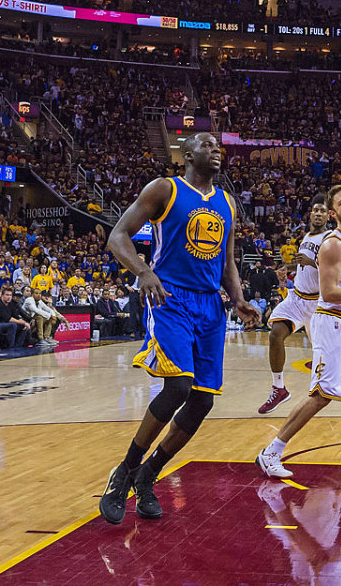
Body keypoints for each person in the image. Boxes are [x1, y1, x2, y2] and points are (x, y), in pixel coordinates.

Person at [98, 132, 260, 525]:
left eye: (219, 148)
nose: (217, 152)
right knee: (177, 386)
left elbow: (227, 261)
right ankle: (123, 474)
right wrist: (143, 271)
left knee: (203, 400)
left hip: (210, 305)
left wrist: (237, 298)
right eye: (208, 146)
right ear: (187, 154)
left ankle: (148, 475)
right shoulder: (164, 189)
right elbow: (116, 236)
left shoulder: (227, 203)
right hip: (170, 297)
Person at [256, 185, 341, 478]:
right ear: (334, 214)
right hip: (331, 322)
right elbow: (329, 293)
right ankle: (271, 452)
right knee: (322, 395)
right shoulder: (333, 244)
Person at [259, 202, 330, 414]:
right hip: (298, 299)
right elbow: (305, 267)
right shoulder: (306, 237)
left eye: (322, 211)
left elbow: (336, 271)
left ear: (329, 215)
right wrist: (288, 269)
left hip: (319, 304)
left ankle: (325, 393)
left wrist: (311, 262)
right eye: (315, 210)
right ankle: (278, 388)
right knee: (275, 335)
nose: (318, 214)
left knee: (324, 353)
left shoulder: (330, 239)